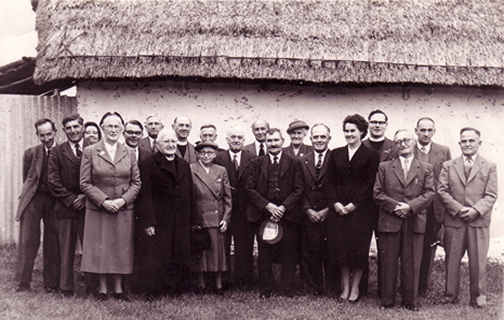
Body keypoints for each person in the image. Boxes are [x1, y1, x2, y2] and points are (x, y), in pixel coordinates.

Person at [79, 111, 141, 301]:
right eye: (109, 126)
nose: (113, 130)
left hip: (123, 208)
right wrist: (104, 201)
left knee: (121, 247)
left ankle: (120, 288)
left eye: (117, 126)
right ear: (102, 128)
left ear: (122, 129)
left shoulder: (129, 152)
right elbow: (84, 182)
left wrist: (122, 201)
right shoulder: (90, 151)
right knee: (102, 248)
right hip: (99, 209)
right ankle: (103, 289)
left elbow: (136, 182)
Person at [373, 129, 434, 311]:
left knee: (412, 263)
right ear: (395, 145)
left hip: (414, 221)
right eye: (398, 141)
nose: (403, 144)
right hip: (390, 221)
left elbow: (430, 193)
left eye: (406, 140)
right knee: (388, 262)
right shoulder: (384, 167)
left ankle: (410, 301)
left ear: (414, 142)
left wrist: (410, 207)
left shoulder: (425, 168)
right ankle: (387, 301)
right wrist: (396, 206)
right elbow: (377, 193)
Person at [438, 127, 497, 308]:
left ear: (479, 143)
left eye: (472, 141)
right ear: (459, 143)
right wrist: (459, 209)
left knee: (478, 261)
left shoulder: (489, 166)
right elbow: (442, 190)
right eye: (464, 141)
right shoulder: (449, 166)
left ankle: (478, 296)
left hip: (478, 221)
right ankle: (450, 295)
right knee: (452, 259)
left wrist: (476, 210)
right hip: (455, 221)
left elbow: (491, 195)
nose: (468, 144)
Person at [135, 128, 197, 300]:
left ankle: (176, 289)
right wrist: (148, 221)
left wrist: (192, 219)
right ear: (159, 144)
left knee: (179, 253)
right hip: (159, 219)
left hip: (181, 219)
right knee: (157, 255)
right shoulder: (148, 164)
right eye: (166, 142)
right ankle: (154, 290)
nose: (170, 145)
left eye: (172, 141)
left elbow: (190, 192)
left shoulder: (183, 164)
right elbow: (145, 194)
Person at [326, 114, 379, 302]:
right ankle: (345, 287)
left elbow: (370, 183)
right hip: (338, 211)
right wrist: (336, 204)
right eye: (346, 131)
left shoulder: (372, 155)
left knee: (358, 250)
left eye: (352, 131)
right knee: (341, 249)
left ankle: (355, 287)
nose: (349, 134)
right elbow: (329, 181)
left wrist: (353, 205)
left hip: (361, 211)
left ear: (362, 132)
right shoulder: (336, 153)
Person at [246, 128, 304, 298]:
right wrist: (267, 206)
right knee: (265, 254)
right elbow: (249, 188)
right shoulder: (256, 163)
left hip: (288, 214)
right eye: (269, 141)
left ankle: (287, 288)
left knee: (289, 251)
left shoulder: (294, 163)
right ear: (266, 142)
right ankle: (265, 289)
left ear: (282, 141)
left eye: (276, 140)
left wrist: (283, 207)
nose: (273, 144)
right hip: (264, 214)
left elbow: (299, 189)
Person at [15, 118, 59, 292]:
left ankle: (52, 284)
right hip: (34, 200)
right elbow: (27, 179)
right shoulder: (30, 153)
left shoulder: (62, 151)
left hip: (55, 201)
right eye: (42, 135)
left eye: (49, 134)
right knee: (28, 240)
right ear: (37, 135)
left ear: (55, 132)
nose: (46, 138)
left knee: (53, 241)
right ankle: (23, 282)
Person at [47, 114, 86, 297]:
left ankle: (92, 286)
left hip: (89, 206)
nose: (73, 131)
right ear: (64, 131)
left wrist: (85, 196)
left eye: (76, 127)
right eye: (68, 128)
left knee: (91, 248)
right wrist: (71, 199)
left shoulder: (93, 149)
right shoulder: (57, 151)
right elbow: (53, 181)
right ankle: (66, 287)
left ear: (82, 127)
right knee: (66, 249)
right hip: (65, 207)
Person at [414, 117, 451, 296]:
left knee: (429, 246)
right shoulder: (407, 149)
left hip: (433, 209)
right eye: (423, 130)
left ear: (434, 132)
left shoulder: (443, 151)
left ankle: (422, 286)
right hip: (413, 207)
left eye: (430, 130)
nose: (426, 133)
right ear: (416, 131)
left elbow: (447, 181)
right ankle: (409, 283)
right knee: (411, 247)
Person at [214, 125, 255, 288]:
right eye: (233, 137)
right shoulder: (219, 158)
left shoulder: (251, 157)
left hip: (245, 209)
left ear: (244, 140)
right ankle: (224, 280)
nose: (236, 140)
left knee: (244, 245)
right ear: (227, 140)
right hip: (225, 208)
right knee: (223, 244)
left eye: (239, 137)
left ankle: (243, 280)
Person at [361, 109, 396, 296]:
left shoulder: (394, 147)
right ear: (368, 124)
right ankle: (362, 287)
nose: (377, 125)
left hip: (385, 206)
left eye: (381, 122)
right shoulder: (360, 145)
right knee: (361, 247)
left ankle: (385, 288)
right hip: (364, 205)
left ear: (386, 125)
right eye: (373, 122)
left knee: (386, 250)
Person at [191, 141, 232, 294]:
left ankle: (218, 284)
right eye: (202, 153)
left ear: (215, 155)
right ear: (197, 154)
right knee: (201, 252)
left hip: (217, 216)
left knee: (218, 252)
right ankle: (201, 284)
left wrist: (226, 218)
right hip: (200, 217)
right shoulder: (191, 169)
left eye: (209, 153)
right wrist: (193, 219)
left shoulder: (221, 170)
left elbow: (228, 198)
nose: (206, 155)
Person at [299, 123, 332, 295]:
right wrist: (307, 209)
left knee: (330, 251)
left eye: (323, 137)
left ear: (329, 138)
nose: (319, 140)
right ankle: (314, 287)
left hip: (330, 213)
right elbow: (299, 188)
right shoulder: (302, 160)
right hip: (309, 213)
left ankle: (331, 286)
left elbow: (338, 187)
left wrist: (328, 209)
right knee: (311, 250)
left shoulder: (336, 158)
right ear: (310, 139)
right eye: (316, 137)